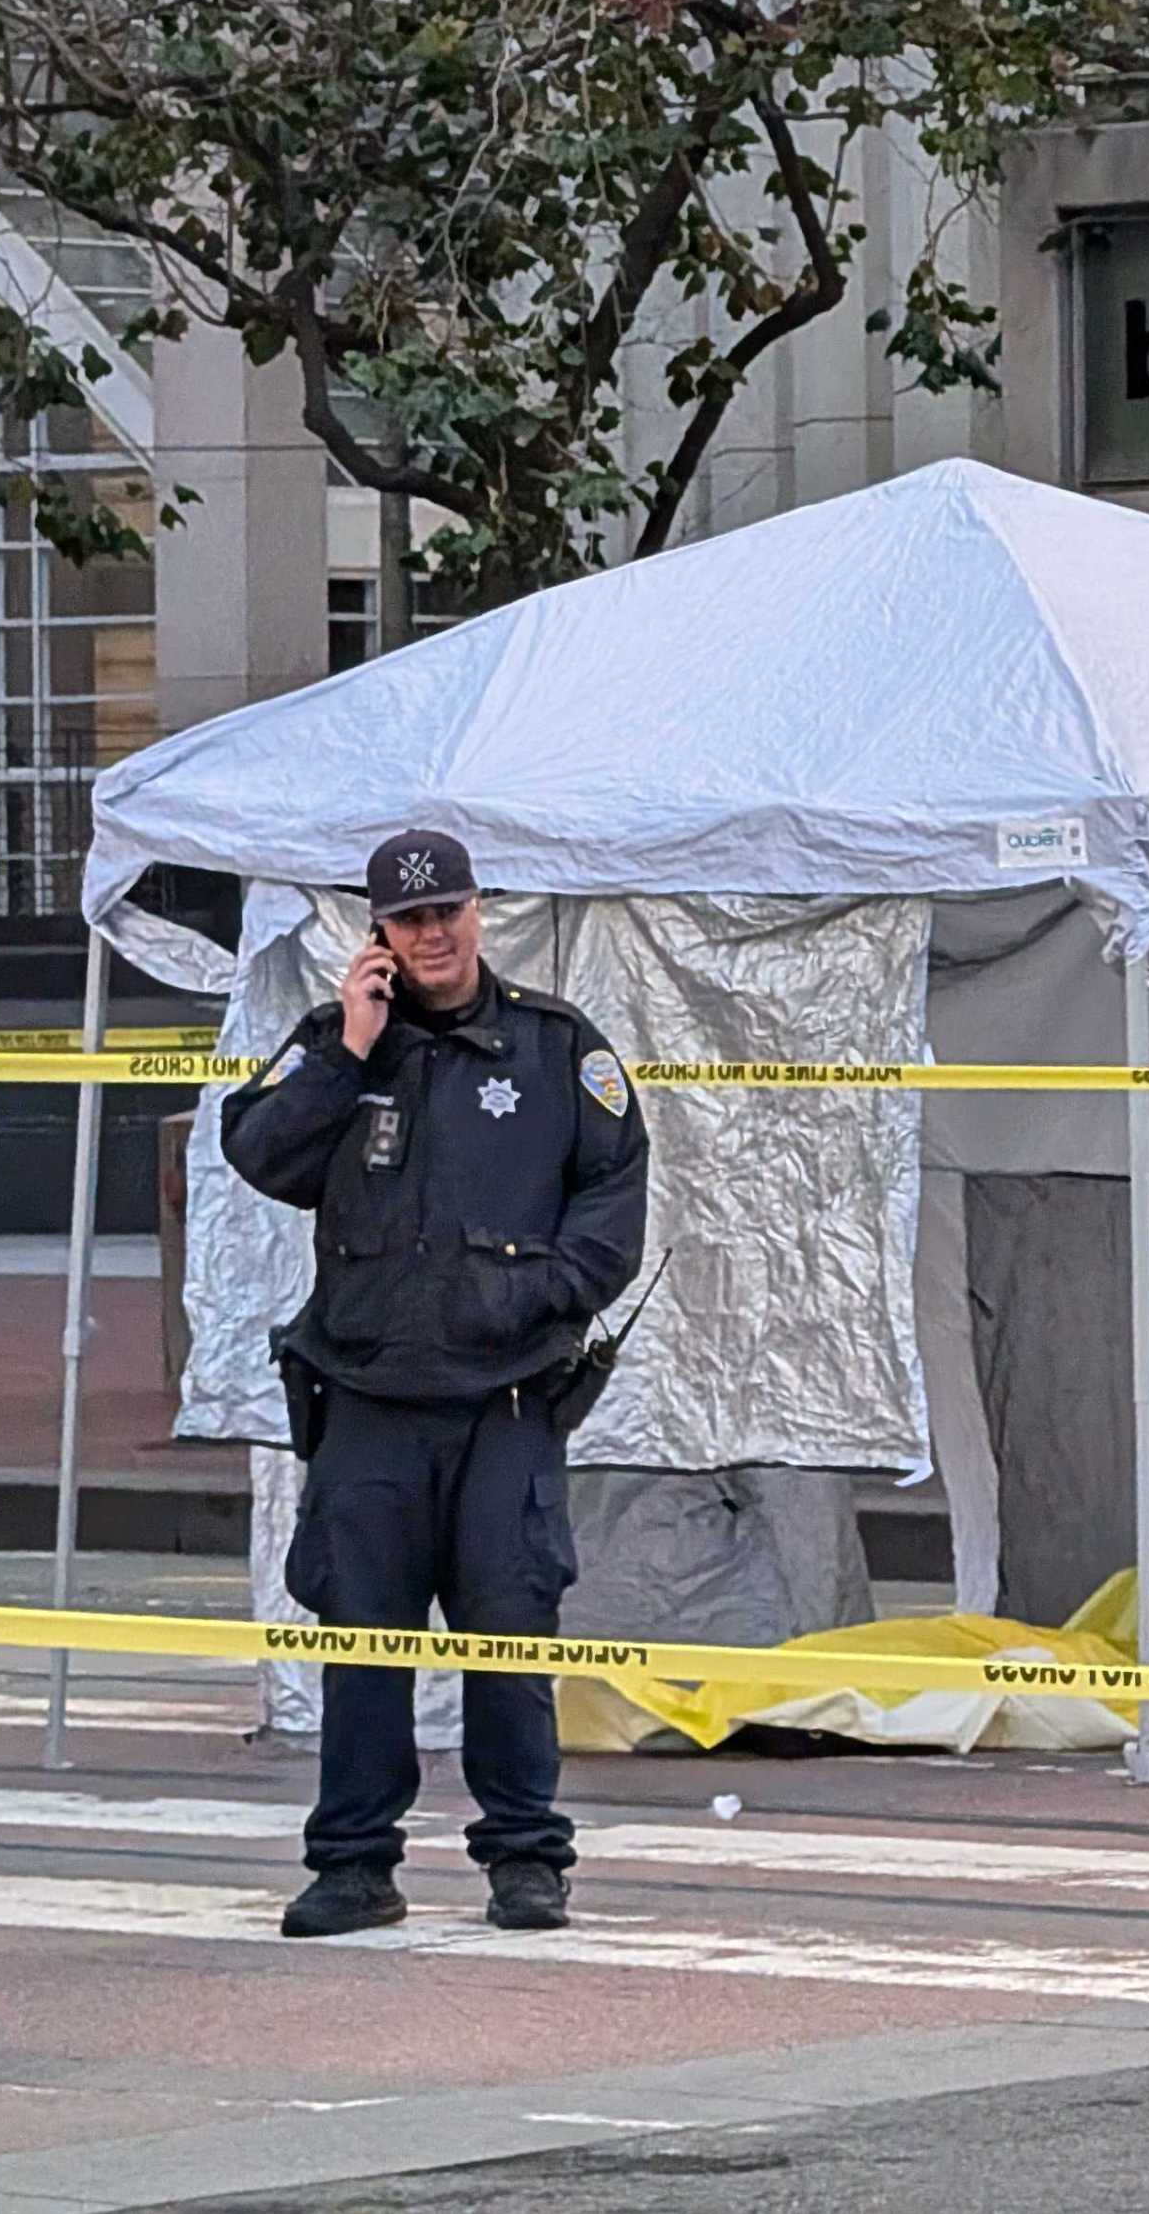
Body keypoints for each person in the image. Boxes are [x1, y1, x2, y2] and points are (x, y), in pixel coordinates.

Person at [220, 828, 648, 1939]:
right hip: (367, 1399)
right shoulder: (336, 1048)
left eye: (449, 911)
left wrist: (530, 1299)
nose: (435, 934)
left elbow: (613, 1201)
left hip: (503, 1398)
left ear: (478, 912)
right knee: (364, 1637)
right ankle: (354, 1863)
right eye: (410, 920)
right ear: (379, 935)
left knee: (510, 1633)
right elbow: (259, 1153)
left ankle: (524, 1857)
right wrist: (350, 1050)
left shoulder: (555, 1048)